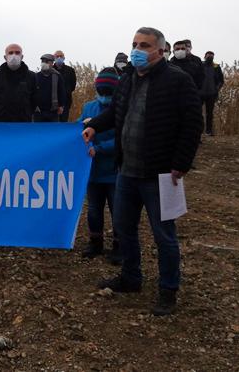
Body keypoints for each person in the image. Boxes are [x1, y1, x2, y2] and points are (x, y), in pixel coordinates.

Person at [83, 27, 203, 316]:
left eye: (144, 45)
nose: (137, 49)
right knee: (125, 228)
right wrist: (94, 125)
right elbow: (115, 113)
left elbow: (192, 124)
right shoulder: (127, 80)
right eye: (135, 44)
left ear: (160, 51)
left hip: (160, 174)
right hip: (126, 171)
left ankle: (168, 289)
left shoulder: (178, 80)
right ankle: (131, 277)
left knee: (164, 235)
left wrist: (180, 164)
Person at [77, 67, 120, 263]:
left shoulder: (121, 110)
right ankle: (96, 242)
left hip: (114, 171)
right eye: (101, 93)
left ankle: (119, 246)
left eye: (108, 94)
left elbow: (122, 139)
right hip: (92, 171)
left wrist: (100, 149)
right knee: (94, 209)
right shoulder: (88, 108)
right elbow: (79, 132)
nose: (104, 97)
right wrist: (81, 126)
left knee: (117, 210)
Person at [0, 44, 36, 122]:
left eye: (17, 53)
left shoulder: (32, 76)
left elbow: (34, 99)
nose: (14, 55)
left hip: (23, 121)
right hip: (0, 121)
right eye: (10, 53)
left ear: (22, 56)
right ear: (5, 57)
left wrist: (27, 112)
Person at [33, 54, 65, 122]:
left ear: (52, 63)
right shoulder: (36, 76)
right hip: (38, 111)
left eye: (47, 61)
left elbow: (61, 91)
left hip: (53, 111)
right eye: (42, 61)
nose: (44, 63)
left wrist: (61, 106)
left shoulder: (57, 76)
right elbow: (32, 92)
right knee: (38, 131)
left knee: (53, 131)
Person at [201, 51, 224, 136]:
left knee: (209, 113)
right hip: (200, 93)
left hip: (211, 93)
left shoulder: (217, 67)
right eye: (208, 55)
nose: (210, 56)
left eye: (212, 55)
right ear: (205, 56)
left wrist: (216, 89)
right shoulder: (200, 65)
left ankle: (209, 131)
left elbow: (221, 81)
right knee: (198, 112)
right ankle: (199, 130)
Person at [52, 50, 77, 121]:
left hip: (66, 101)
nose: (59, 58)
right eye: (57, 56)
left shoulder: (70, 70)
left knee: (63, 121)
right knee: (53, 123)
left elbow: (73, 85)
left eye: (61, 56)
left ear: (64, 57)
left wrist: (66, 91)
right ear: (54, 58)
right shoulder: (50, 70)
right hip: (52, 102)